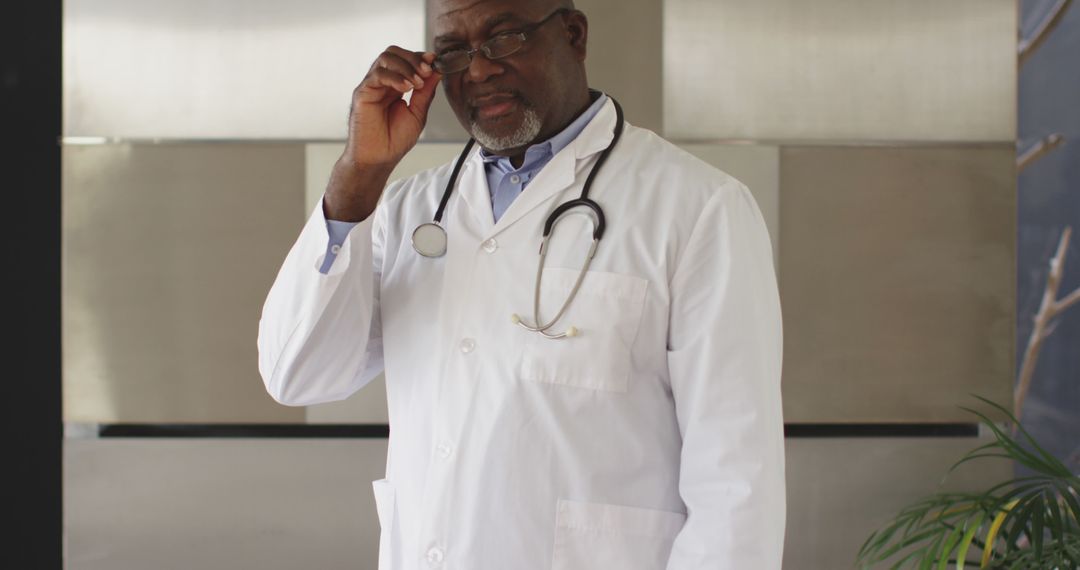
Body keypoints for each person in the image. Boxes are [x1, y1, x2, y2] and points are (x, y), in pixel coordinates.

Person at [257, 0, 785, 567]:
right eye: (455, 51)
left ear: (574, 35)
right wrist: (359, 176)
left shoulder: (698, 207)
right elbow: (297, 374)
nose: (479, 70)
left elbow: (736, 477)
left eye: (505, 38)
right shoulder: (408, 209)